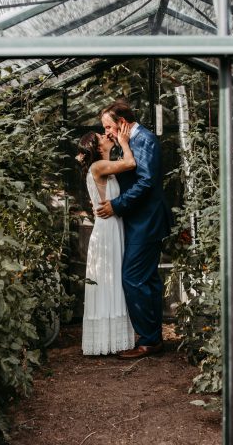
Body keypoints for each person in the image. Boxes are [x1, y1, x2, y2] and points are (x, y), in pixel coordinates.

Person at [95, 99, 172, 360]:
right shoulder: (128, 141)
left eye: (108, 127)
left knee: (132, 276)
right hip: (140, 220)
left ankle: (148, 340)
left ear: (122, 123)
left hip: (147, 221)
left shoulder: (145, 140)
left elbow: (146, 182)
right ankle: (153, 338)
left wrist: (116, 205)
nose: (106, 132)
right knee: (147, 279)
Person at [76, 123, 136, 355]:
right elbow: (130, 163)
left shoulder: (103, 166)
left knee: (113, 280)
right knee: (109, 280)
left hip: (112, 226)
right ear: (97, 147)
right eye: (102, 136)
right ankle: (106, 339)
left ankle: (111, 338)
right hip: (107, 229)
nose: (106, 135)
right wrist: (124, 142)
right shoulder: (99, 165)